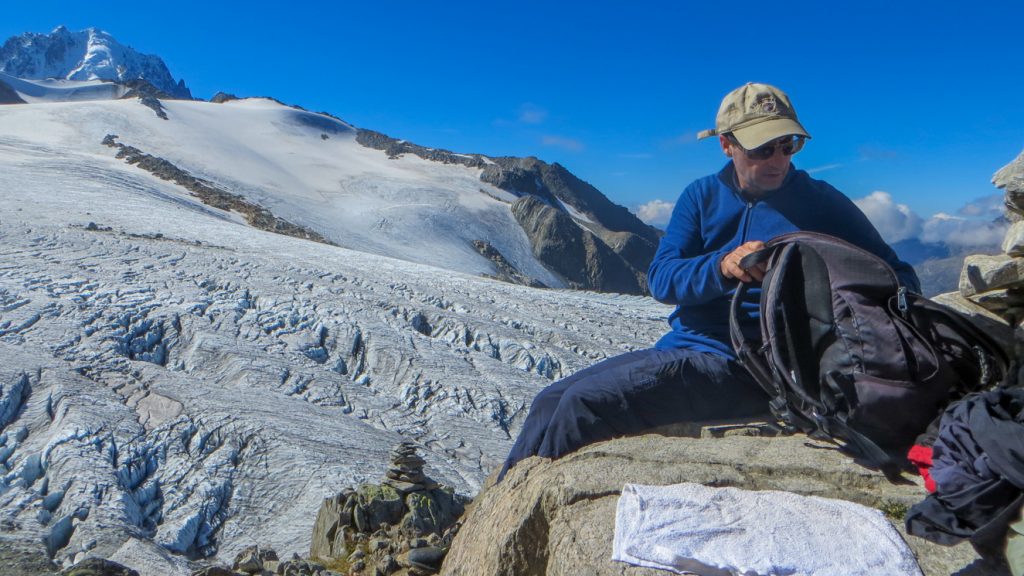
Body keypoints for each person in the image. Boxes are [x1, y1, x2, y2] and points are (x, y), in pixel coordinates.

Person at [497, 82, 920, 481]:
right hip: (686, 349)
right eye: (762, 148)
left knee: (582, 404)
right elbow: (662, 279)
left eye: (787, 145)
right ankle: (499, 506)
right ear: (727, 144)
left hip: (755, 368)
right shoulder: (701, 196)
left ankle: (532, 511)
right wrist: (721, 267)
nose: (778, 160)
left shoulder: (822, 203)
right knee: (549, 401)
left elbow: (896, 275)